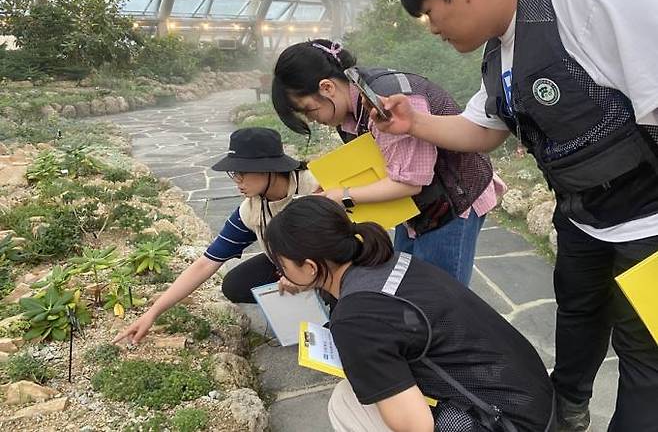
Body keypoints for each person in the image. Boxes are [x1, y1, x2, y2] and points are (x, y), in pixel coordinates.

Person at [372, 0, 658, 430]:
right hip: (583, 217)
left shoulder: (589, 5)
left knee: (645, 356)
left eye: (430, 11)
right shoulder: (503, 50)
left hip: (650, 225)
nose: (431, 27)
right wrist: (413, 123)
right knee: (578, 314)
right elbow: (482, 129)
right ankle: (566, 411)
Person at [264, 196, 555, 432]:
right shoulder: (385, 261)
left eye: (281, 263)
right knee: (354, 395)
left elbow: (417, 426)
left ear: (310, 267)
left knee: (347, 405)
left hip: (508, 423)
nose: (281, 271)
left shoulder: (356, 319)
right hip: (533, 401)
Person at [271, 39, 506, 286]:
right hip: (417, 207)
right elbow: (381, 161)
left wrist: (343, 196)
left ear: (327, 87)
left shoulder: (383, 104)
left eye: (309, 110)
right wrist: (333, 190)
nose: (314, 120)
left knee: (440, 293)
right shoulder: (352, 103)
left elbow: (410, 183)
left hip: (454, 199)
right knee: (407, 283)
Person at [113, 127, 318, 344]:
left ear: (269, 168)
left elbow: (346, 242)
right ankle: (300, 307)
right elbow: (205, 264)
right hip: (290, 265)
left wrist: (304, 274)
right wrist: (151, 314)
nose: (237, 180)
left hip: (329, 263)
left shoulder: (315, 186)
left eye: (242, 172)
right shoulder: (251, 210)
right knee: (235, 284)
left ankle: (328, 307)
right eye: (234, 173)